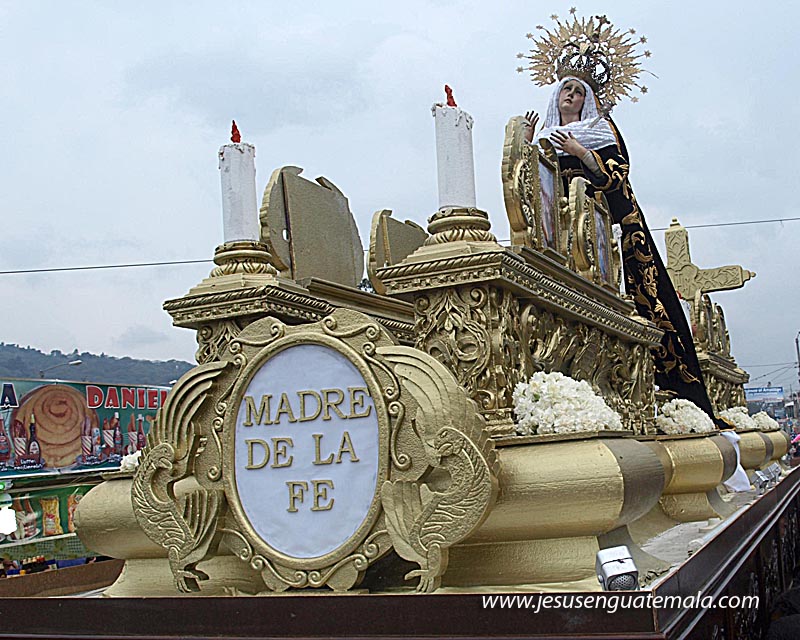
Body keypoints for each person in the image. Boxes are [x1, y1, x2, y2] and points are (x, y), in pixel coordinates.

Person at [523, 75, 717, 420]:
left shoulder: (599, 129)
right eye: (567, 89)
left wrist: (581, 152)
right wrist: (526, 143)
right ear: (556, 96)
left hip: (608, 228)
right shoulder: (546, 139)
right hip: (564, 233)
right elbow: (536, 184)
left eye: (579, 92)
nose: (572, 95)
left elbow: (617, 174)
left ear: (587, 100)